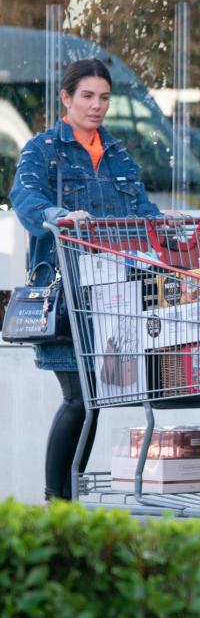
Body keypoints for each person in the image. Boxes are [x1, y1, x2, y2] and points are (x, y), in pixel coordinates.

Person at [9, 58, 164, 501]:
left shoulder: (117, 154)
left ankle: (67, 500)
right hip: (66, 296)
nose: (96, 106)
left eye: (104, 99)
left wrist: (165, 227)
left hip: (113, 297)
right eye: (87, 96)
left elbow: (142, 210)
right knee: (79, 397)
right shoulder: (43, 150)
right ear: (66, 98)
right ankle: (57, 503)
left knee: (94, 402)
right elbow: (25, 198)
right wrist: (60, 217)